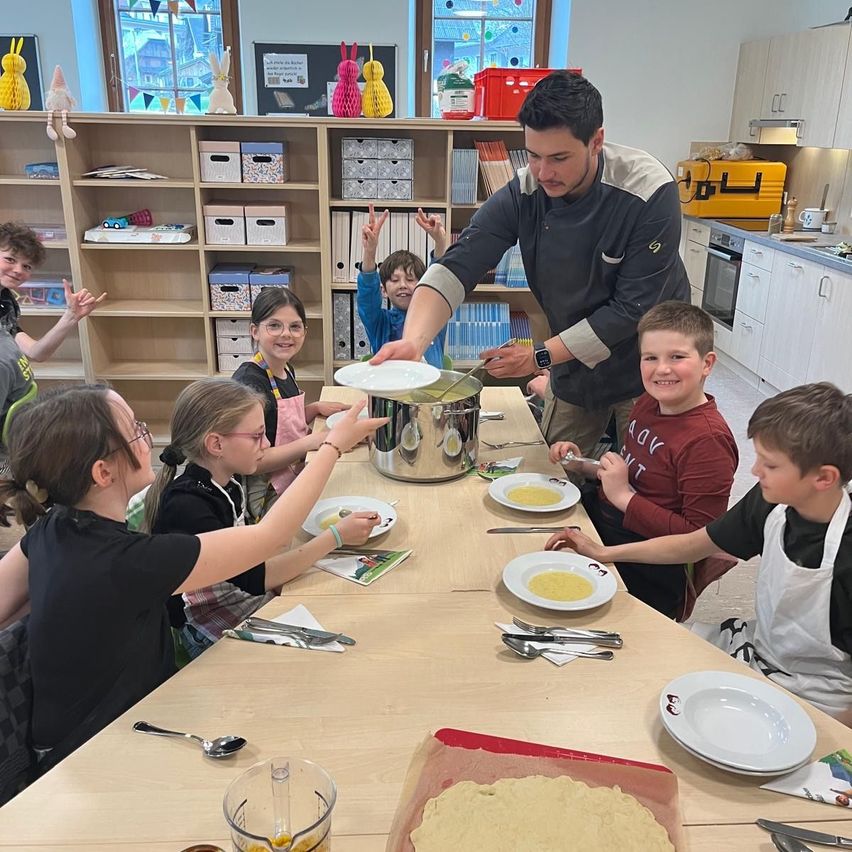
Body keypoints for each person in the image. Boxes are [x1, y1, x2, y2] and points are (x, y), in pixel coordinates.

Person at [0, 384, 384, 764]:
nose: (147, 436)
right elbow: (270, 536)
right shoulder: (129, 562)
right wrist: (331, 447)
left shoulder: (53, 527)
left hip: (89, 729)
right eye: (136, 430)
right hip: (103, 748)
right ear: (102, 473)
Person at [371, 72, 689, 456]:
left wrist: (539, 356)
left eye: (559, 158)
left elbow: (631, 310)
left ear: (597, 142)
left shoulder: (648, 190)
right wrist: (415, 340)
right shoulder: (526, 189)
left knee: (646, 482)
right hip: (573, 358)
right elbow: (458, 265)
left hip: (650, 363)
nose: (543, 172)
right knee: (553, 468)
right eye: (533, 155)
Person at [547, 383, 852, 723]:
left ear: (824, 478)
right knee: (632, 660)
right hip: (755, 648)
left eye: (770, 465)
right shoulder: (772, 503)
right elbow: (694, 543)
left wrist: (830, 740)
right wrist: (605, 552)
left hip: (818, 696)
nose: (755, 471)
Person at [142, 378, 380, 658]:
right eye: (257, 436)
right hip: (206, 628)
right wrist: (336, 537)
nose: (266, 444)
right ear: (216, 444)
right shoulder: (188, 505)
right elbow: (259, 578)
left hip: (239, 594)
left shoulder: (225, 482)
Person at [549, 302, 738, 619]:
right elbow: (633, 472)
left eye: (677, 357)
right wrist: (582, 464)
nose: (661, 368)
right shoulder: (648, 403)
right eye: (650, 357)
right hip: (606, 520)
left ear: (707, 364)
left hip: (649, 564)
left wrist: (624, 498)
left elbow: (699, 538)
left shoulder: (708, 442)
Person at [232, 288, 348, 521]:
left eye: (295, 327)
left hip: (293, 470)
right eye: (274, 326)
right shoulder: (249, 383)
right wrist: (312, 441)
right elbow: (254, 461)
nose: (286, 334)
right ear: (254, 331)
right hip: (265, 492)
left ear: (305, 332)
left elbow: (276, 425)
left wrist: (313, 409)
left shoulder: (286, 369)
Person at [357, 204, 448, 369]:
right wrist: (370, 252)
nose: (403, 285)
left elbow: (439, 283)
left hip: (431, 393)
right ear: (383, 290)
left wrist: (440, 242)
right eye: (394, 280)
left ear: (422, 287)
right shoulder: (380, 322)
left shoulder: (434, 317)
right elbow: (367, 298)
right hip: (389, 393)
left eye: (410, 279)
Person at [0, 222, 105, 362]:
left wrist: (71, 317)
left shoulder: (6, 302)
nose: (18, 270)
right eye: (10, 259)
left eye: (27, 266)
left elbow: (35, 352)